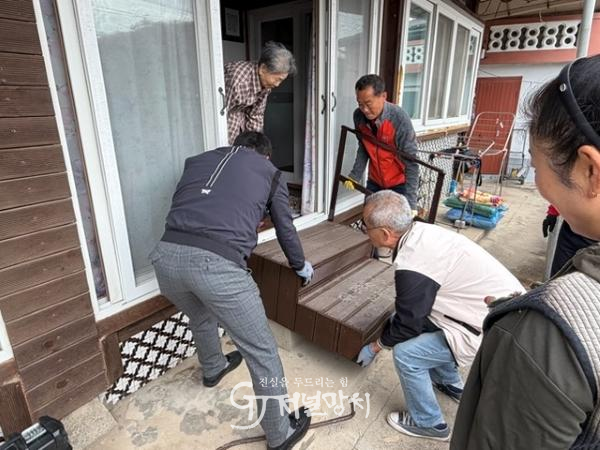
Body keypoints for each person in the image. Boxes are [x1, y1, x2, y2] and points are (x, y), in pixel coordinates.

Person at [452, 55, 600, 449]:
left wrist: (528, 324)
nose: (536, 184)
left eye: (536, 164)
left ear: (589, 169)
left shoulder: (545, 339)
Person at [150, 131, 313, 450]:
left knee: (200, 314)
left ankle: (213, 367)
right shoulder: (270, 172)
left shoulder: (198, 161)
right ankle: (280, 432)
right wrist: (299, 265)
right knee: (262, 351)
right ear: (266, 156)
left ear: (235, 146)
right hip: (216, 267)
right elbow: (284, 227)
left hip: (165, 259)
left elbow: (202, 206)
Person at [356, 190, 524, 442]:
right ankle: (450, 382)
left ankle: (429, 423)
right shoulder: (423, 232)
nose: (364, 231)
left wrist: (375, 346)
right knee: (422, 325)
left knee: (406, 354)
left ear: (385, 234)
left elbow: (408, 326)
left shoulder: (413, 264)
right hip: (500, 315)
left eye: (365, 226)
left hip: (492, 328)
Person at [343, 74, 420, 214]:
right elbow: (364, 147)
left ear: (383, 96)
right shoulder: (358, 116)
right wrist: (355, 175)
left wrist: (411, 203)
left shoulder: (399, 118)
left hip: (399, 184)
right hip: (375, 181)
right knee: (370, 218)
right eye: (360, 104)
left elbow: (411, 161)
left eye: (368, 103)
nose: (365, 110)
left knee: (394, 223)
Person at [224, 41, 296, 144]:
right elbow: (222, 114)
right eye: (277, 79)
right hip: (226, 123)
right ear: (263, 69)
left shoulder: (265, 84)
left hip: (239, 122)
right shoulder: (238, 81)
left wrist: (255, 144)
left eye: (281, 81)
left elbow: (256, 115)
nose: (277, 85)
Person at [542, 204, 597, 276]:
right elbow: (568, 196)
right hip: (571, 230)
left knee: (589, 278)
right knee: (559, 274)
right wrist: (553, 212)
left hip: (594, 238)